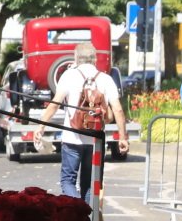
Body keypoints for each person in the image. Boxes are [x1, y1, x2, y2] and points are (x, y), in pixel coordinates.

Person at [31, 42, 129, 201]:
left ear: (76, 58)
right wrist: (122, 138)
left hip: (72, 138)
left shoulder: (69, 76)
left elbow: (54, 105)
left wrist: (41, 126)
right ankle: (86, 215)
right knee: (89, 184)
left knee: (67, 181)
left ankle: (78, 210)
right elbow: (117, 110)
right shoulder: (106, 79)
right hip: (95, 140)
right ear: (95, 59)